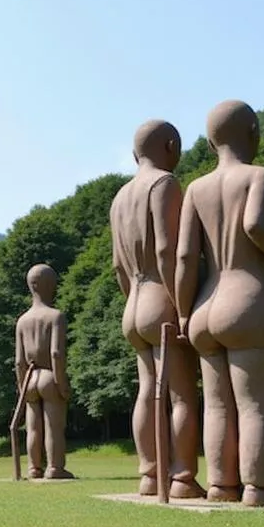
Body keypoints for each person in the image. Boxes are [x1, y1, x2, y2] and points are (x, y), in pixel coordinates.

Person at [175, 101, 264, 507]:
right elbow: (255, 225)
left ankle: (222, 485)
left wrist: (185, 311)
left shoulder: (196, 189)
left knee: (217, 406)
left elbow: (186, 258)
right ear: (254, 132)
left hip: (205, 306)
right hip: (249, 301)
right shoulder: (261, 176)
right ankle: (259, 488)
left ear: (209, 142)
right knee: (257, 404)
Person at [110, 119, 203, 498]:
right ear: (171, 145)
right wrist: (181, 305)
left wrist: (132, 297)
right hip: (158, 298)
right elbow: (167, 251)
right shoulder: (164, 184)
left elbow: (118, 265)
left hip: (132, 302)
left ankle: (149, 475)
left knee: (147, 389)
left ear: (135, 154)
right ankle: (181, 477)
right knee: (181, 393)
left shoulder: (119, 197)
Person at [15, 264, 74, 479]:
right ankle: (55, 467)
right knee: (53, 426)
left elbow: (19, 361)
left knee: (33, 428)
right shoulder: (55, 316)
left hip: (30, 379)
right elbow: (56, 353)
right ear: (51, 285)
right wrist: (61, 383)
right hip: (49, 375)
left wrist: (22, 386)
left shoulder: (22, 320)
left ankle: (33, 467)